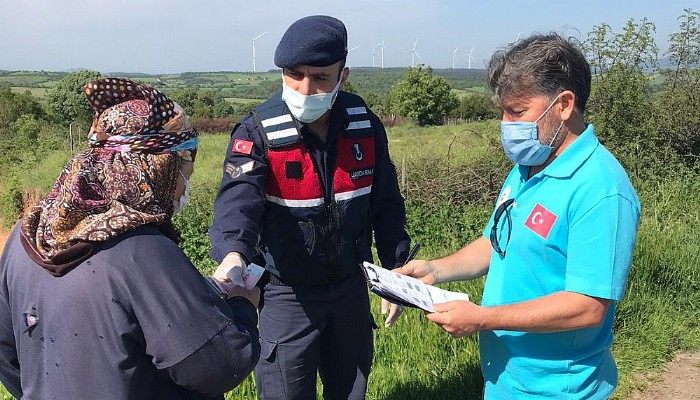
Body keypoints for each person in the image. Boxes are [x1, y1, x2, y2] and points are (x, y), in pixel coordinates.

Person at [396, 33, 641, 399]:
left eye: (517, 111)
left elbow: (587, 306)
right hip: (507, 379)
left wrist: (482, 318)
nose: (506, 124)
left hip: (559, 388)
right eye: (502, 111)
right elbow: (496, 242)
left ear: (564, 104)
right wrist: (435, 269)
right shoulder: (530, 164)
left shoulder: (601, 189)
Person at [0, 78, 261, 400]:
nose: (183, 191)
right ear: (158, 169)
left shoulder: (28, 234)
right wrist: (241, 305)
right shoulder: (144, 251)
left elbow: (8, 355)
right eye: (184, 174)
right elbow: (220, 367)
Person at [208, 15, 411, 400]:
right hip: (287, 294)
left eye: (319, 76)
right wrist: (232, 255)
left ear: (343, 75)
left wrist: (395, 271)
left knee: (351, 390)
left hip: (351, 289)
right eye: (294, 74)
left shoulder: (363, 126)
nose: (305, 87)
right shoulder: (258, 132)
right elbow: (239, 204)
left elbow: (386, 205)